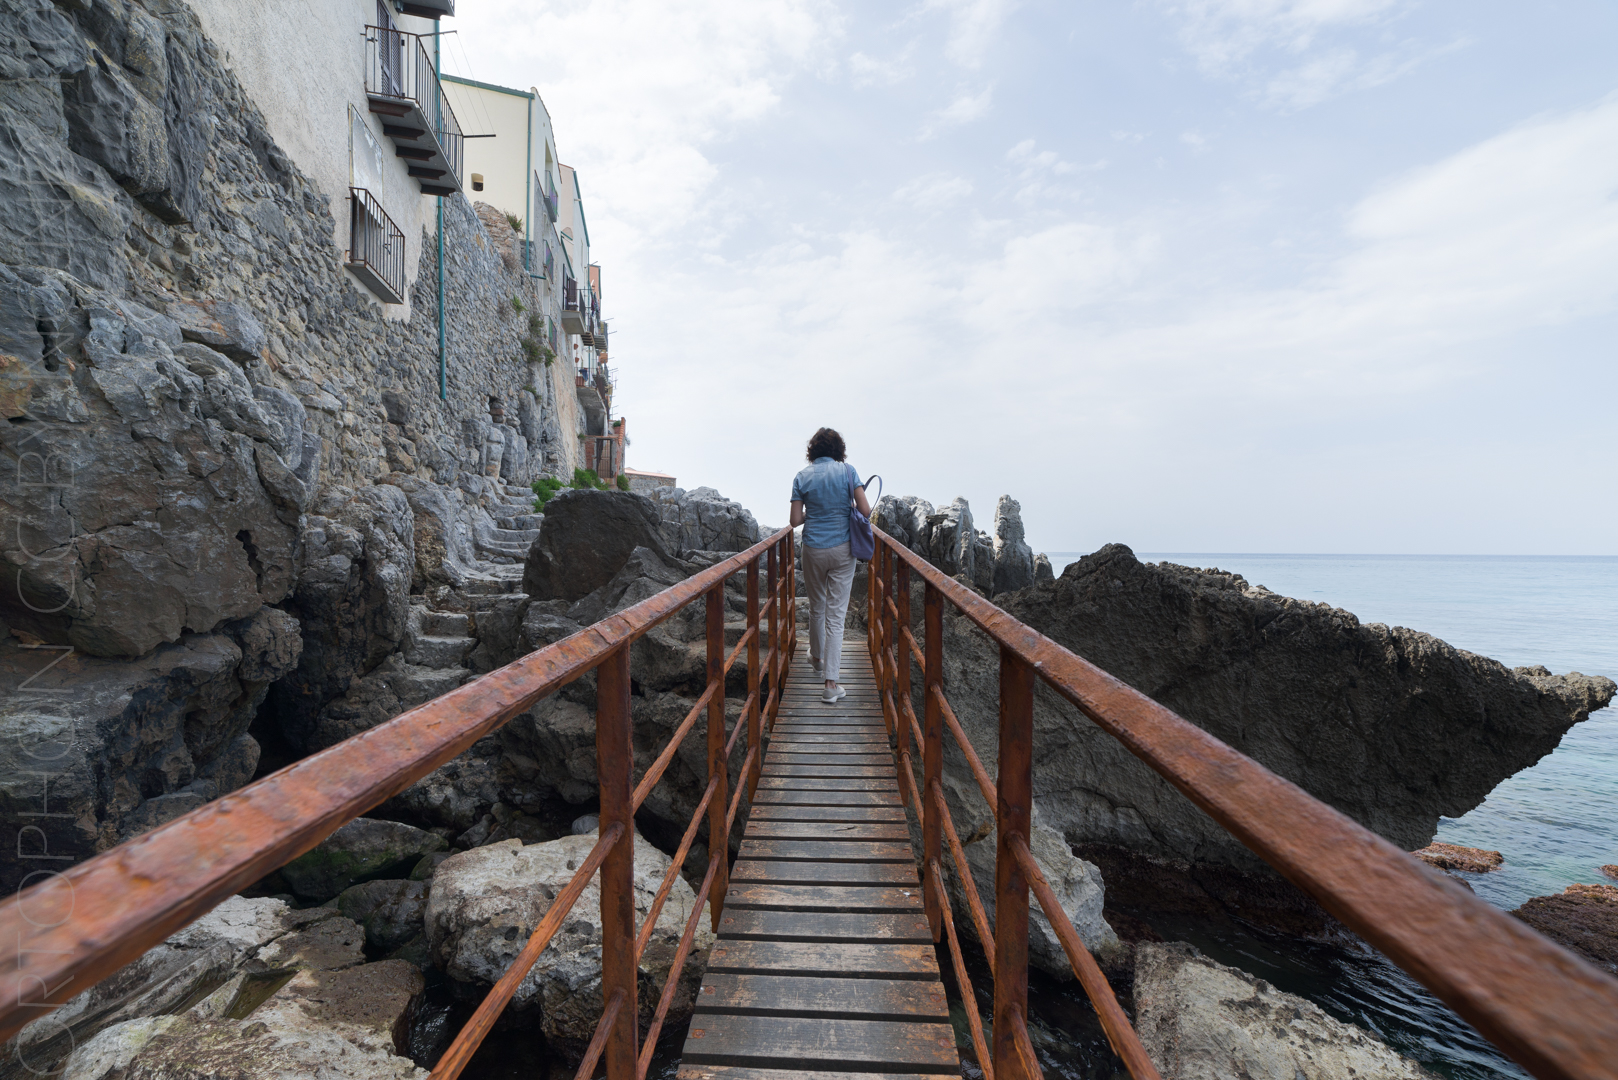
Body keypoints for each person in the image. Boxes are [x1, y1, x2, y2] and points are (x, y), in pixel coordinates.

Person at [789, 427, 872, 704]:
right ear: (839, 449)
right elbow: (865, 510)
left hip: (813, 548)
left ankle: (816, 657)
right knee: (836, 616)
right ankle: (831, 684)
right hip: (842, 549)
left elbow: (795, 520)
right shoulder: (848, 472)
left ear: (812, 450)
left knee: (817, 607)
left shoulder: (802, 476)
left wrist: (815, 512)